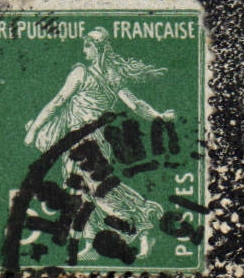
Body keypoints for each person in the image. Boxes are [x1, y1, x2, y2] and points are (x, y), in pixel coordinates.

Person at [24, 27, 175, 261]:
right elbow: (135, 105)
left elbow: (57, 102)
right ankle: (92, 243)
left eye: (88, 46)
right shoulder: (111, 75)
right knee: (80, 194)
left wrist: (34, 129)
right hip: (81, 144)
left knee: (101, 191)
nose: (84, 51)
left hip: (88, 145)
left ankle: (144, 226)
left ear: (98, 49)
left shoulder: (82, 74)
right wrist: (158, 116)